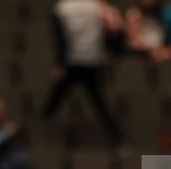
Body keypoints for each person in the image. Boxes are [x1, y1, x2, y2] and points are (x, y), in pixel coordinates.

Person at [43, 0, 123, 143]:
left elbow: (60, 38)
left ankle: (41, 123)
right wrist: (112, 54)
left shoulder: (62, 8)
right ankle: (117, 136)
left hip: (72, 62)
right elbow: (115, 30)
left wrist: (60, 62)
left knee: (58, 95)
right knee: (98, 101)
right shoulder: (100, 8)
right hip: (92, 61)